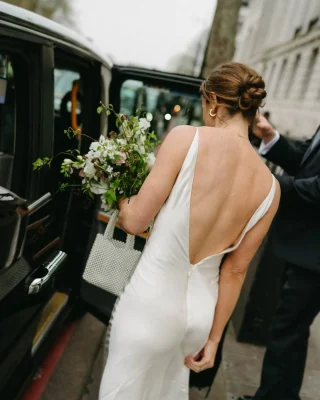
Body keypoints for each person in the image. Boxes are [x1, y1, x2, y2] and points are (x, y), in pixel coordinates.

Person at [98, 62, 280, 400]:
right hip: (200, 318)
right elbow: (236, 272)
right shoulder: (271, 187)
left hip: (150, 306)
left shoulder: (186, 138)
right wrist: (213, 340)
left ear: (212, 101)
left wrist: (122, 197)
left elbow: (135, 222)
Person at [238, 117, 320, 400]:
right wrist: (270, 135)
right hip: (303, 247)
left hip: (314, 255)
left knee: (286, 330)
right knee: (291, 332)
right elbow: (304, 161)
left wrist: (270, 184)